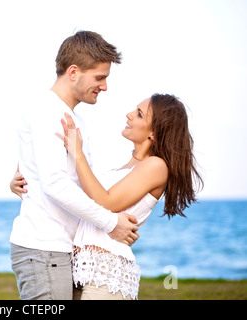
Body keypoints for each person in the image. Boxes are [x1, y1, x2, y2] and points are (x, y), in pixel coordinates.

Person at [11, 94, 203, 300]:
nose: (129, 115)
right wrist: (23, 182)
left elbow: (107, 202)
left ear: (154, 132)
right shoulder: (126, 168)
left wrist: (78, 153)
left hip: (106, 276)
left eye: (139, 114)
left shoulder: (156, 166)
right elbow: (77, 197)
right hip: (81, 271)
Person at [9, 31, 140, 300]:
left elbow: (58, 177)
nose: (104, 87)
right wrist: (110, 222)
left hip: (61, 249)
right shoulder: (48, 111)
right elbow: (55, 184)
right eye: (99, 77)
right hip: (44, 248)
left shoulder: (71, 116)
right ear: (73, 72)